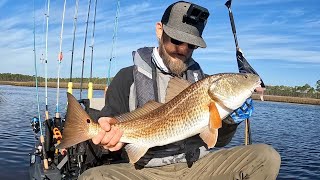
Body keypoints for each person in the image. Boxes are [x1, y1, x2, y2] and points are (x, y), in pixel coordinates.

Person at [79, 1, 281, 179]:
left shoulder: (200, 80)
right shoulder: (127, 77)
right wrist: (105, 134)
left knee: (266, 157)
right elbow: (109, 120)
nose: (183, 49)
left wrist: (230, 121)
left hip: (198, 166)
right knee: (93, 177)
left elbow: (216, 142)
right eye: (175, 40)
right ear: (160, 30)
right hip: (146, 171)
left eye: (191, 45)